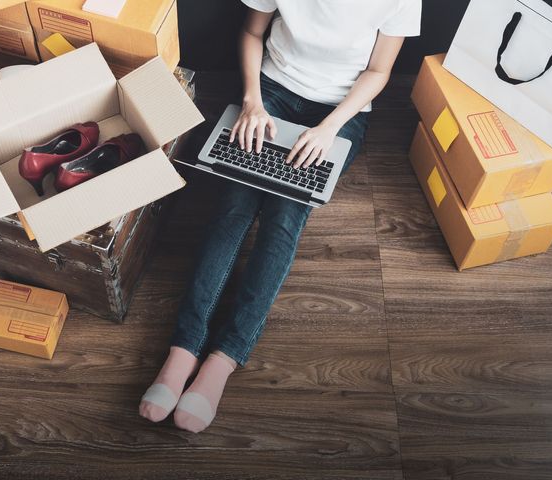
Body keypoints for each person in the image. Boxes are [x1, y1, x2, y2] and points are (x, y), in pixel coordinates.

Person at [140, 0, 422, 433]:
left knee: (285, 219)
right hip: (271, 91)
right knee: (232, 208)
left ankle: (223, 359)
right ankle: (184, 349)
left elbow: (378, 71)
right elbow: (253, 33)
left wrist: (330, 128)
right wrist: (252, 101)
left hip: (339, 111)